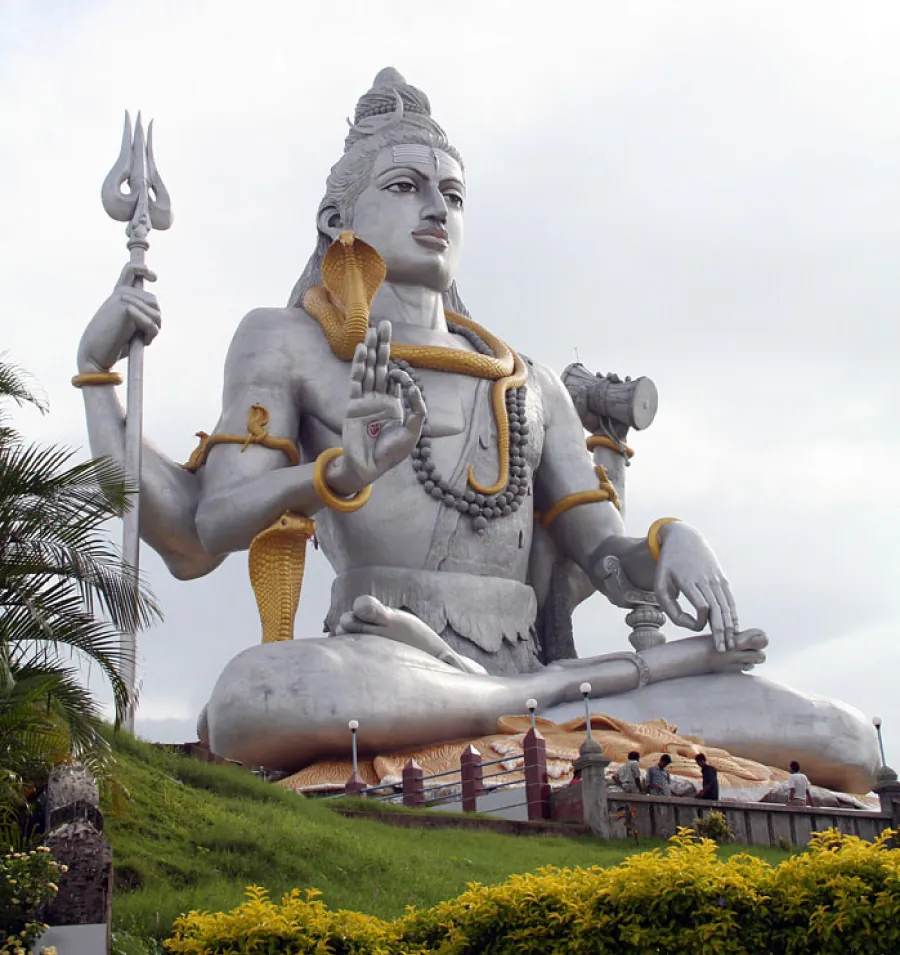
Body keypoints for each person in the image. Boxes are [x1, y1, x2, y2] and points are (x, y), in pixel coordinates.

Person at [74, 68, 767, 770]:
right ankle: (544, 698)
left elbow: (611, 564)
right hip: (380, 663)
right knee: (255, 691)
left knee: (834, 733)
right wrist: (99, 379)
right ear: (336, 220)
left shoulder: (529, 382)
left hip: (519, 667)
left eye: (453, 194)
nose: (437, 208)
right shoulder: (287, 343)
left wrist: (672, 542)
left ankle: (531, 694)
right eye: (405, 186)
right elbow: (200, 531)